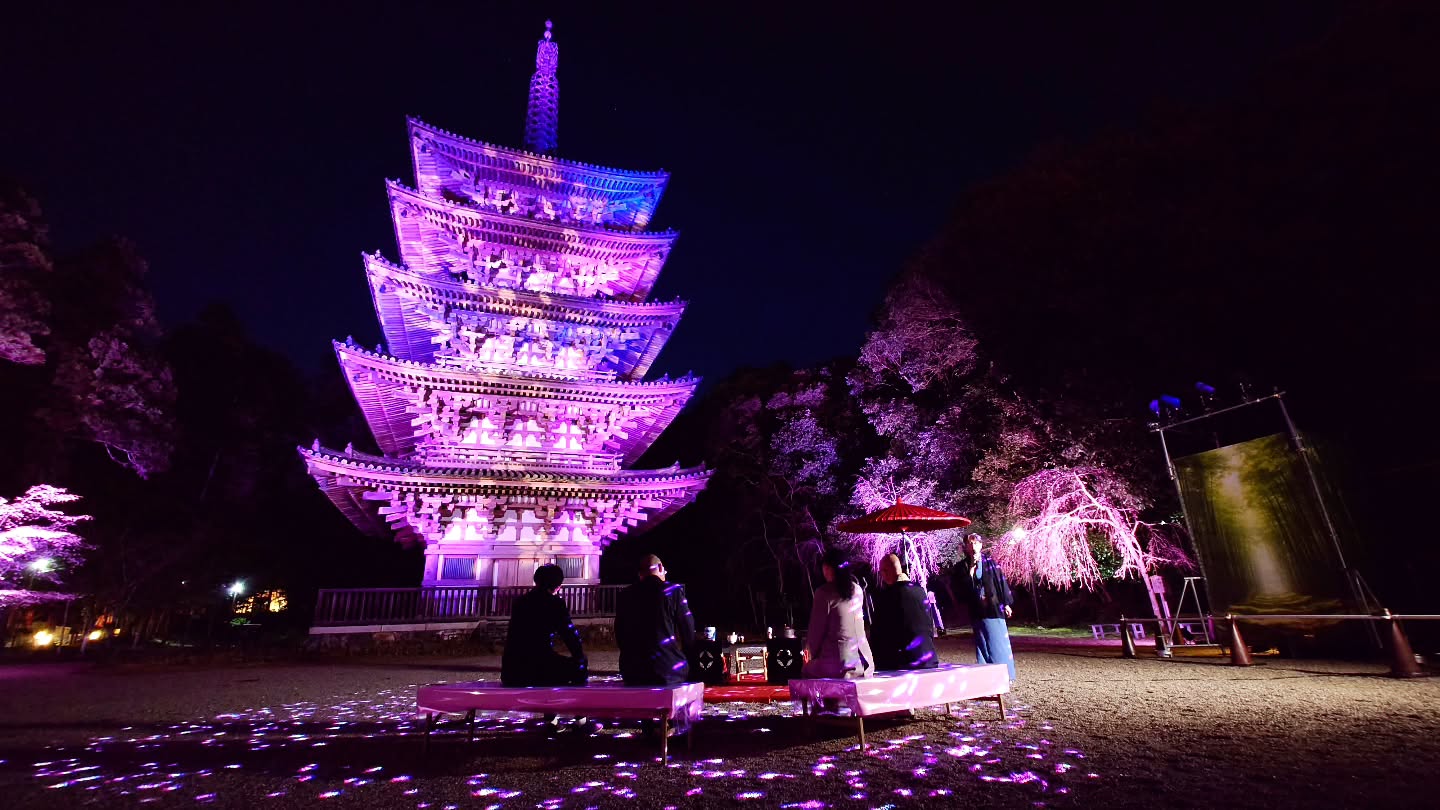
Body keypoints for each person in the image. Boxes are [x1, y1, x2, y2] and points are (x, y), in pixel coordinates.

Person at [501, 563, 588, 688]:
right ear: (557, 585)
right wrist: (580, 657)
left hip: (512, 670)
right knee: (578, 668)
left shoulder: (520, 602)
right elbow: (569, 634)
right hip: (539, 667)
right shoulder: (555, 603)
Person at [615, 554, 696, 686]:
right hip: (667, 669)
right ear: (660, 567)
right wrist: (689, 657)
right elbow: (688, 630)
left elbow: (620, 633)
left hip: (632, 671)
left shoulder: (625, 595)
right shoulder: (673, 591)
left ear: (640, 574)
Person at [949, 533, 1016, 682]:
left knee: (998, 640)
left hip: (993, 607)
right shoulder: (961, 567)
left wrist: (1006, 603)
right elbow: (961, 589)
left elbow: (1000, 583)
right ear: (966, 547)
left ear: (981, 545)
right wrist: (971, 569)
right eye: (970, 543)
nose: (973, 546)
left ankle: (1005, 675)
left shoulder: (991, 563)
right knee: (982, 642)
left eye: (976, 543)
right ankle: (986, 675)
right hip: (977, 609)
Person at [802, 549, 875, 679]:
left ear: (828, 568)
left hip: (839, 663)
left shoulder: (824, 593)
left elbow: (816, 632)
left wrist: (810, 654)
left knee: (805, 670)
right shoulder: (857, 590)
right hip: (863, 661)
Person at [870, 553, 939, 671]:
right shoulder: (920, 591)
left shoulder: (887, 596)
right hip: (928, 657)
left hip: (903, 662)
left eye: (881, 572)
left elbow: (879, 633)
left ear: (885, 572)